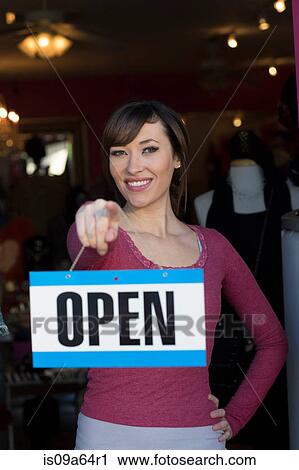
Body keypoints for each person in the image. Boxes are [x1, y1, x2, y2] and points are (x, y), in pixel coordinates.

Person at [67, 100, 288, 450]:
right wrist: (91, 219)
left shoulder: (214, 247)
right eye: (119, 152)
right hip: (107, 438)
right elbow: (86, 246)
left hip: (199, 439)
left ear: (178, 157)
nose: (132, 166)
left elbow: (273, 341)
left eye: (149, 149)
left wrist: (236, 416)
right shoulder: (102, 232)